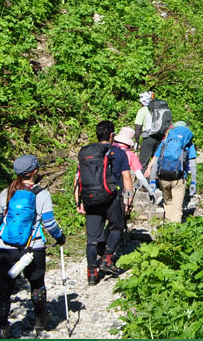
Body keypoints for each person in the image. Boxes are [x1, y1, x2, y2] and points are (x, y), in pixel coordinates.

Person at [0, 154, 66, 338]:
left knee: (3, 288)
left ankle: (1, 327)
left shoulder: (6, 192)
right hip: (33, 248)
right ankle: (40, 320)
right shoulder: (42, 194)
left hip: (4, 248)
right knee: (37, 283)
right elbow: (48, 223)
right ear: (35, 171)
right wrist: (60, 237)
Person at [75, 120, 133, 285]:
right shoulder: (118, 153)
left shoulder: (87, 153)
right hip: (110, 197)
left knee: (92, 238)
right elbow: (127, 177)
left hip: (90, 198)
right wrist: (128, 199)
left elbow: (78, 178)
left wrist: (78, 202)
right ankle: (107, 258)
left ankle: (92, 274)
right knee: (116, 227)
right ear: (112, 135)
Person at [147, 121, 197, 224]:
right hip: (178, 178)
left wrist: (152, 181)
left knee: (168, 202)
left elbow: (156, 161)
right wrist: (193, 182)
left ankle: (168, 227)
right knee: (177, 207)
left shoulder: (166, 141)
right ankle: (175, 231)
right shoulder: (188, 143)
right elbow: (192, 164)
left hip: (163, 177)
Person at [113, 126, 156, 196]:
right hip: (120, 189)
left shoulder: (108, 150)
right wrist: (150, 191)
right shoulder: (130, 155)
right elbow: (140, 177)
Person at [134, 91, 153, 155]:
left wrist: (136, 142)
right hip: (159, 138)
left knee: (143, 162)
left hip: (148, 137)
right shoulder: (157, 109)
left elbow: (138, 128)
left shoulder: (142, 110)